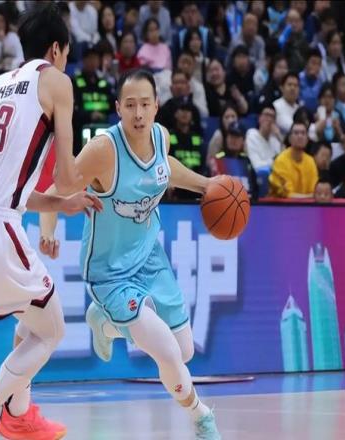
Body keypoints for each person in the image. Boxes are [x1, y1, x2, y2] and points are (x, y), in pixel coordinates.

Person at [40, 69, 222, 439]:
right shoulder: (104, 150)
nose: (138, 113)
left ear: (156, 106)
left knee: (184, 350)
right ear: (118, 108)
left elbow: (164, 168)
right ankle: (201, 417)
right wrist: (47, 230)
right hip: (109, 272)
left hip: (150, 257)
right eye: (130, 105)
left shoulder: (161, 136)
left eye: (145, 104)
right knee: (167, 352)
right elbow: (58, 187)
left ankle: (105, 323)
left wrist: (206, 184)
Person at [0, 4, 102, 439]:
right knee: (51, 330)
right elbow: (68, 175)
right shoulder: (56, 81)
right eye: (67, 53)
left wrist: (60, 203)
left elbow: (4, 186)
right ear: (56, 49)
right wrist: (100, 171)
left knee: (32, 320)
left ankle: (19, 414)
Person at [269, 121, 319, 198]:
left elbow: (314, 191)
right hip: (283, 205)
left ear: (307, 139)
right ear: (289, 139)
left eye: (303, 133)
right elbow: (288, 195)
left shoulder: (310, 161)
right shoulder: (281, 161)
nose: (300, 136)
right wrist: (309, 197)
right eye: (296, 133)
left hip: (307, 204)